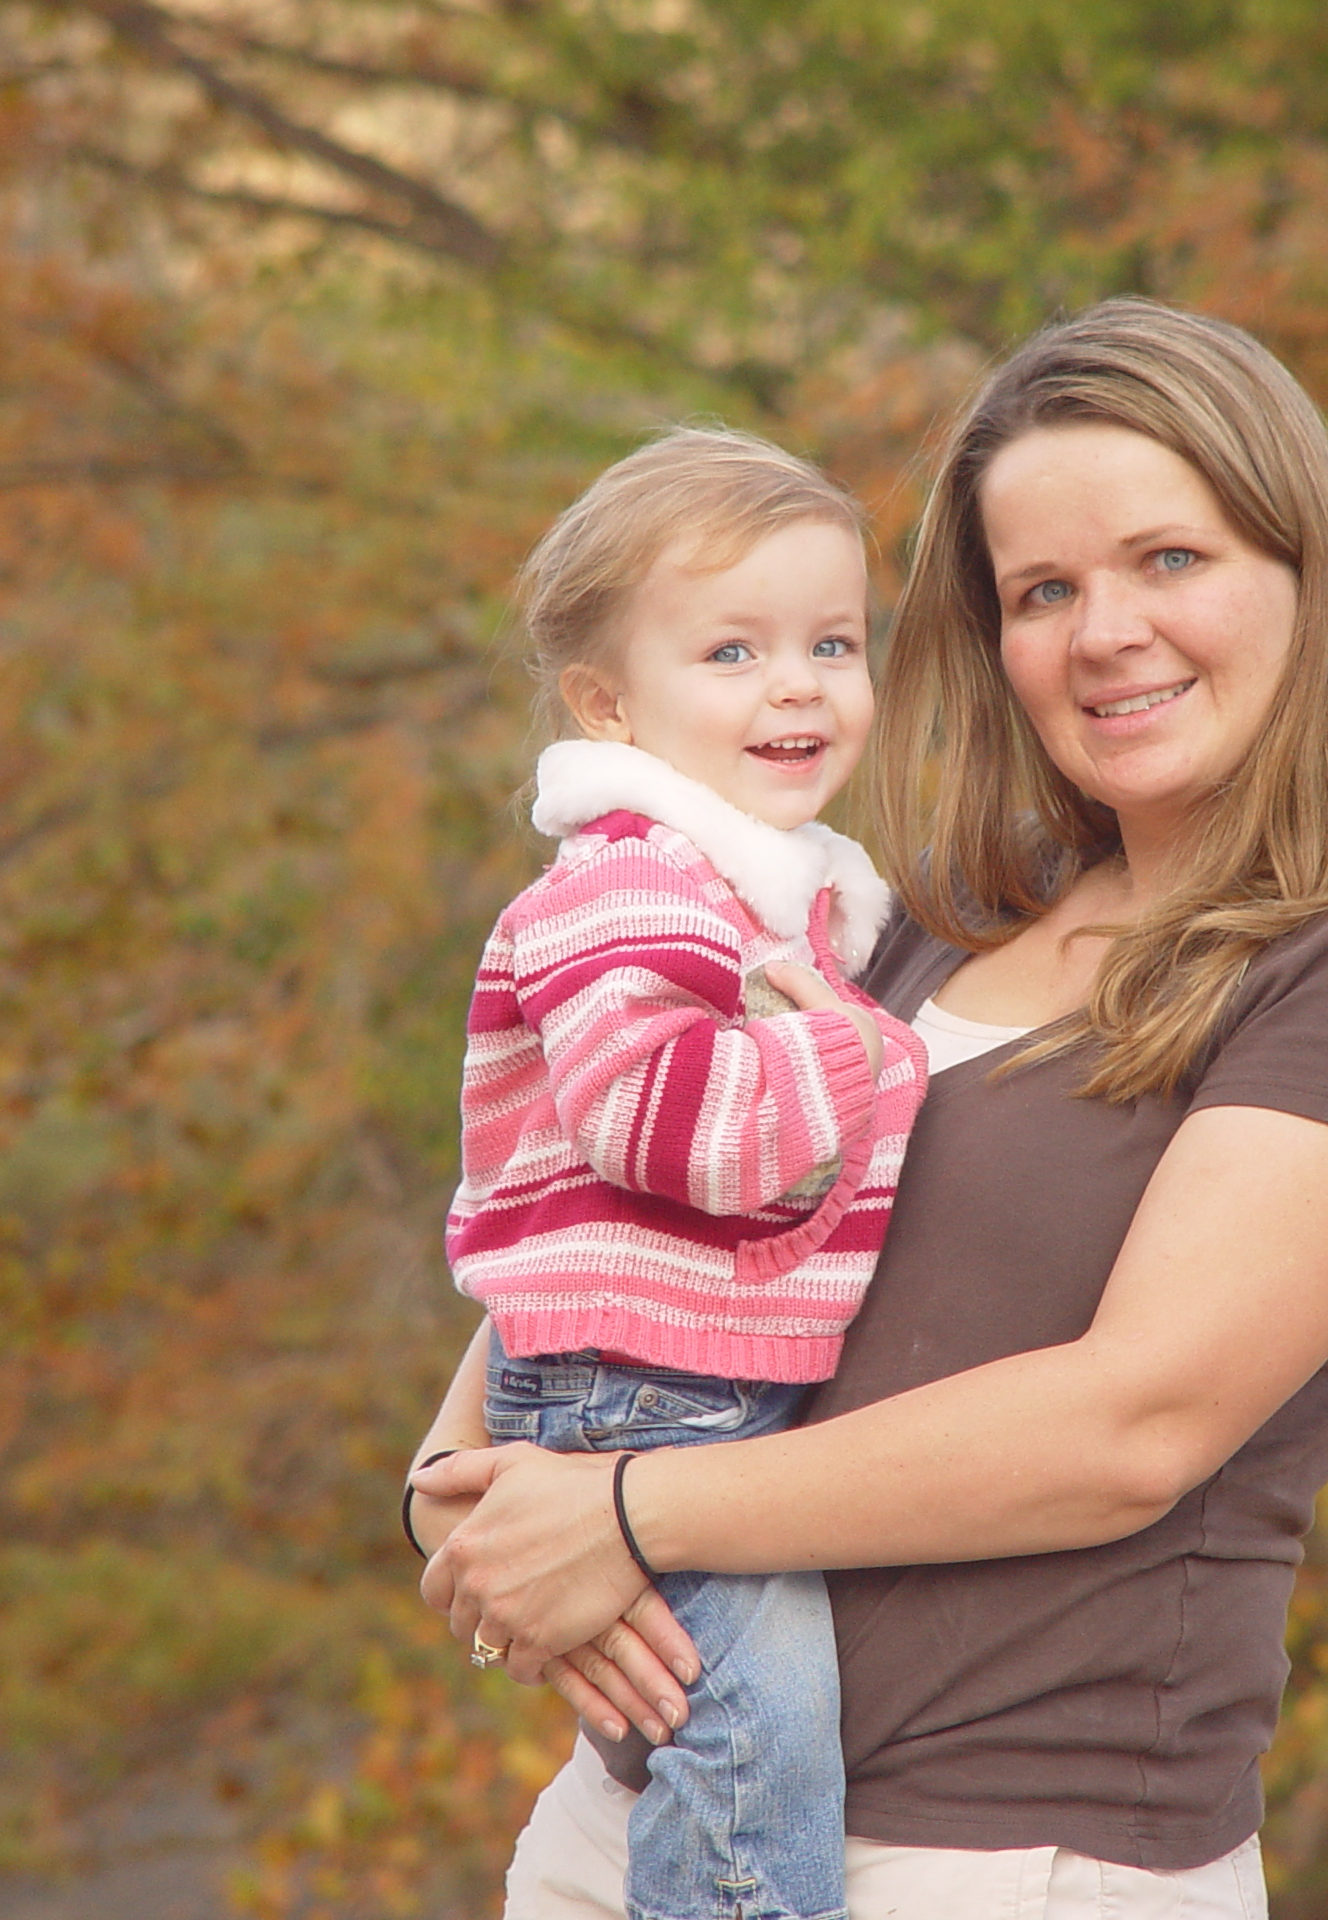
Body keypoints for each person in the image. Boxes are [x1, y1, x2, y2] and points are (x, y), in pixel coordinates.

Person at [409, 299, 1328, 1919]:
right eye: (1045, 591)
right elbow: (624, 1211)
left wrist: (627, 1515)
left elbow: (1130, 1428)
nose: (1105, 633)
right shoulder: (931, 920)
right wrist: (460, 1490)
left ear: (1304, 573)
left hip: (1019, 1859)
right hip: (643, 1825)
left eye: (1171, 561)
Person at [404, 426, 928, 1920]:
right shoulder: (627, 883)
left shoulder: (777, 889)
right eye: (733, 650)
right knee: (753, 1747)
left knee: (722, 1731)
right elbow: (656, 1118)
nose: (798, 684)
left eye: (834, 640)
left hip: (686, 1387)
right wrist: (855, 1054)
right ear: (609, 707)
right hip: (643, 1395)